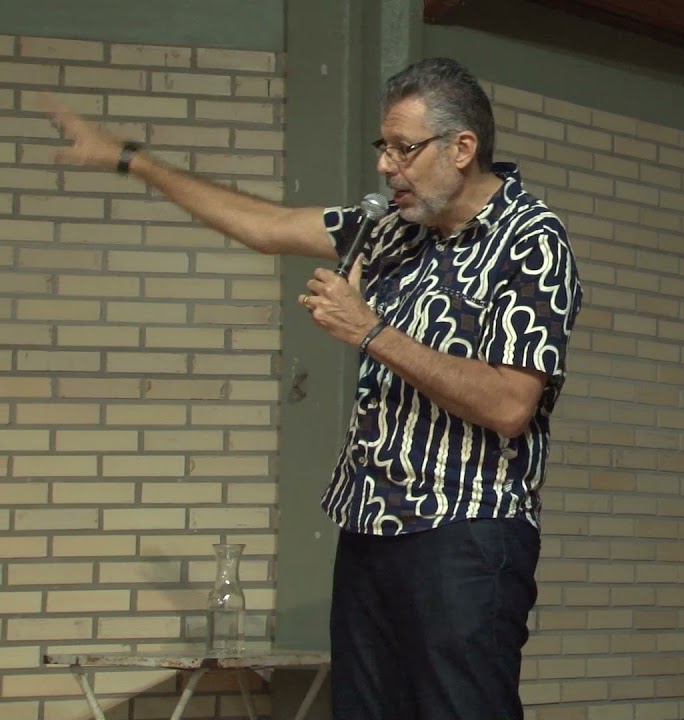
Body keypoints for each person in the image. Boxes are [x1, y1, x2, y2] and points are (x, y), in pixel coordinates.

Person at [50, 57, 582, 720]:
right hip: (368, 526)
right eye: (383, 146)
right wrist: (133, 160)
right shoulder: (391, 229)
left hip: (465, 535)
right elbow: (267, 227)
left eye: (404, 148)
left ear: (462, 147)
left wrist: (371, 331)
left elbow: (509, 405)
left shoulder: (531, 240)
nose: (386, 165)